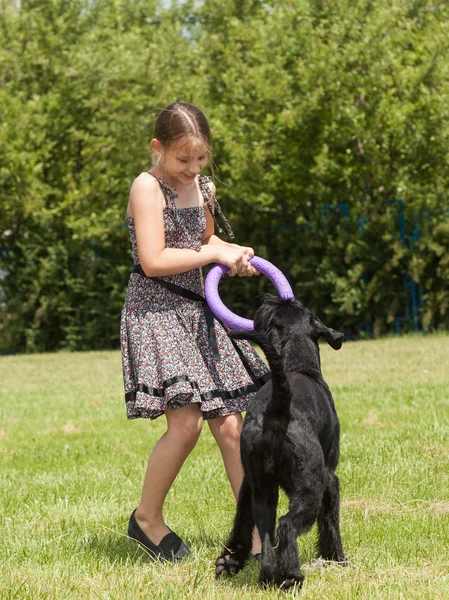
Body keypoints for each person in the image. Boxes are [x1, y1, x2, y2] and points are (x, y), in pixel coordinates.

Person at [120, 102, 270, 562]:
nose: (193, 169)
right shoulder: (147, 188)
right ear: (157, 148)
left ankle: (258, 534)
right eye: (183, 160)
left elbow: (205, 242)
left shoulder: (202, 187)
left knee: (229, 423)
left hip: (197, 309)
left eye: (201, 159)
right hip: (157, 311)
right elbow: (155, 259)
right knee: (185, 426)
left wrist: (234, 253)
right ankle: (146, 519)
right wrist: (212, 256)